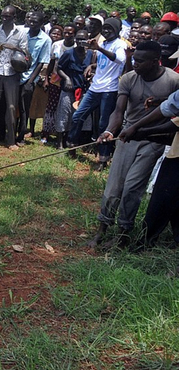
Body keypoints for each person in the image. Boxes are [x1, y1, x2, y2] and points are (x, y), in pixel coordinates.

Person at [89, 41, 179, 248]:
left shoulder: (173, 81)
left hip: (154, 141)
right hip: (127, 138)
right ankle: (102, 230)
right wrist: (110, 130)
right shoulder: (129, 78)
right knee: (113, 187)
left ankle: (123, 233)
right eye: (134, 59)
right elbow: (119, 111)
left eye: (140, 60)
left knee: (132, 188)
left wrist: (142, 131)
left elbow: (171, 113)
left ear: (156, 61)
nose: (134, 63)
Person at [69, 18, 126, 166]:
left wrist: (99, 49)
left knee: (103, 125)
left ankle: (103, 158)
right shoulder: (103, 43)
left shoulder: (120, 45)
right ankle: (72, 146)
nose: (106, 31)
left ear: (117, 30)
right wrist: (92, 66)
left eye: (110, 29)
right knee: (77, 116)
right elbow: (103, 64)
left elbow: (119, 59)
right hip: (95, 88)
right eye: (105, 28)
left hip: (109, 89)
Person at [0, 5, 28, 149]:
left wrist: (12, 47)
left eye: (8, 16)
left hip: (12, 72)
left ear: (14, 18)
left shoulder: (20, 33)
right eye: (3, 16)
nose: (4, 18)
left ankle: (10, 140)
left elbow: (26, 54)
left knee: (11, 107)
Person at [18, 11, 52, 144]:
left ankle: (20, 136)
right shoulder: (22, 33)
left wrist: (30, 81)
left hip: (29, 78)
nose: (31, 24)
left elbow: (41, 62)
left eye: (35, 22)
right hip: (15, 75)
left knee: (24, 109)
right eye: (30, 21)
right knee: (12, 106)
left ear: (41, 24)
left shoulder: (45, 40)